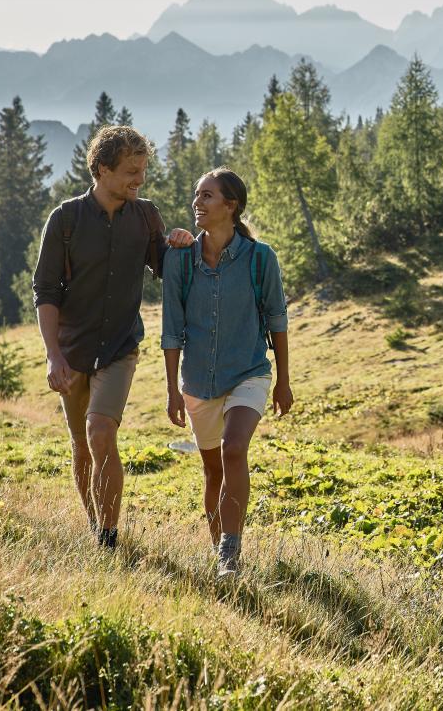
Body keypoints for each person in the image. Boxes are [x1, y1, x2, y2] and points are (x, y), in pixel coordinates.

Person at [32, 125, 194, 549]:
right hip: (72, 350)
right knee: (81, 445)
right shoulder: (66, 220)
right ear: (102, 169)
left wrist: (180, 244)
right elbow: (45, 292)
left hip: (121, 347)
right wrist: (53, 355)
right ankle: (94, 524)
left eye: (142, 170)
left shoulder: (145, 216)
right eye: (130, 172)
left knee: (101, 430)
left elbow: (167, 268)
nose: (139, 180)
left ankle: (108, 537)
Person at [162, 167, 292, 577]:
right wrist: (172, 389)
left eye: (207, 195)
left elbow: (277, 319)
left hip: (249, 372)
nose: (197, 202)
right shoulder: (180, 259)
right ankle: (220, 553)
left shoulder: (260, 258)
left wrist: (284, 381)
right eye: (197, 194)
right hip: (198, 381)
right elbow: (171, 330)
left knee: (233, 449)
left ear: (231, 206)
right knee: (213, 470)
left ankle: (229, 554)